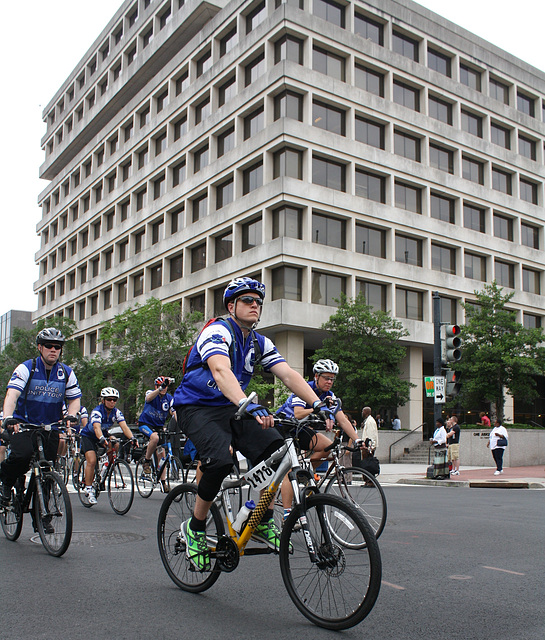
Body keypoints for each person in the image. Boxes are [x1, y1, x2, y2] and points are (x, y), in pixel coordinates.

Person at [173, 276, 331, 571]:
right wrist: (248, 403)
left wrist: (317, 403)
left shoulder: (260, 342)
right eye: (248, 301)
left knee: (277, 451)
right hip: (198, 408)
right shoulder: (218, 331)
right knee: (220, 462)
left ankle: (261, 517)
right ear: (231, 306)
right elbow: (220, 371)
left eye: (259, 302)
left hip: (235, 407)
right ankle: (195, 527)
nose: (255, 305)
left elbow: (288, 375)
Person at [0, 328, 82, 507]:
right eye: (48, 345)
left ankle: (42, 516)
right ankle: (6, 483)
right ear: (39, 347)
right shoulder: (26, 368)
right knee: (22, 457)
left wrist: (71, 415)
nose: (53, 349)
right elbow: (12, 395)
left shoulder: (66, 373)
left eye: (58, 346)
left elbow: (75, 399)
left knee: (47, 469)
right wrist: (8, 417)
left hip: (50, 427)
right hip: (24, 425)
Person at [275, 359, 360, 520]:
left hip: (301, 429)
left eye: (332, 379)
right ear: (316, 376)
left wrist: (358, 440)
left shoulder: (330, 395)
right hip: (284, 428)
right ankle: (287, 514)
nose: (329, 382)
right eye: (326, 378)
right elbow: (298, 413)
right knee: (289, 472)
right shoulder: (305, 388)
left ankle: (304, 471)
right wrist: (317, 407)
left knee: (327, 446)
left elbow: (342, 420)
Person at [80, 387, 136, 504]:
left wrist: (132, 438)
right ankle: (89, 489)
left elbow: (124, 427)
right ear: (103, 400)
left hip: (103, 434)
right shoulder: (97, 411)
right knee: (92, 460)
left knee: (115, 444)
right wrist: (101, 438)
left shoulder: (116, 412)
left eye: (114, 400)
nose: (112, 402)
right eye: (109, 399)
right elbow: (96, 427)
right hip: (89, 436)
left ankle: (106, 466)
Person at [138, 376, 175, 488]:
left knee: (162, 454)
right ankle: (147, 461)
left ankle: (163, 482)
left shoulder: (169, 398)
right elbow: (148, 398)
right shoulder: (151, 393)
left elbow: (174, 412)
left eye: (165, 386)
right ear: (156, 386)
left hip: (159, 426)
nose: (163, 388)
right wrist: (159, 389)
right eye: (160, 386)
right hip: (145, 424)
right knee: (155, 438)